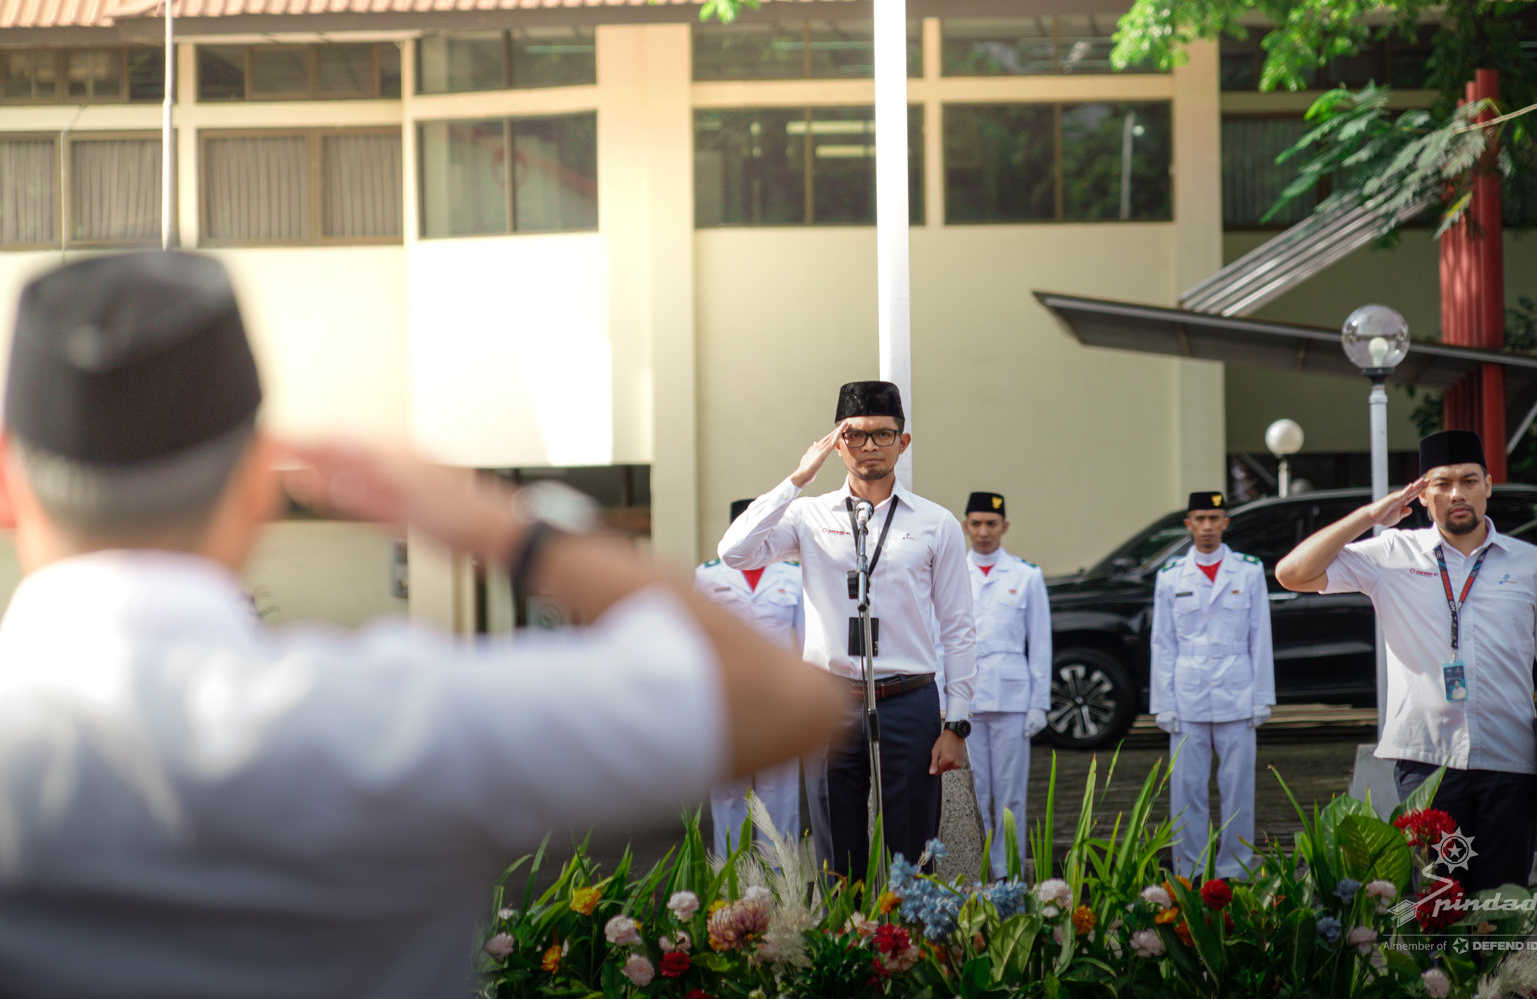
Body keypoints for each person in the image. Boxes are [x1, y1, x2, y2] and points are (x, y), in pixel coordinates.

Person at [0, 251, 844, 998]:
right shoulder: (390, 713)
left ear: (9, 485)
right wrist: (501, 525)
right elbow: (784, 698)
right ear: (260, 486)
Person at [1276, 429, 1537, 893]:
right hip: (1427, 764)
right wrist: (1369, 516)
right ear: (1423, 494)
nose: (1456, 494)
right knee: (1436, 901)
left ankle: (1500, 971)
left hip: (1511, 764)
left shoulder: (1532, 564)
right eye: (1441, 483)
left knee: (1502, 902)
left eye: (1468, 480)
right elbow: (1292, 574)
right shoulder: (1390, 555)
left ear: (1487, 486)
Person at [719, 381, 976, 879]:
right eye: (855, 436)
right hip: (830, 701)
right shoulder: (808, 515)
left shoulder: (935, 522)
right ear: (837, 444)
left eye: (883, 435)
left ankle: (909, 947)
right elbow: (734, 551)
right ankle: (847, 950)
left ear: (904, 442)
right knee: (838, 854)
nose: (869, 447)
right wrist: (796, 479)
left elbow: (959, 626)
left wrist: (957, 722)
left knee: (912, 854)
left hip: (909, 699)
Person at [1150, 490, 1274, 879]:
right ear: (1188, 524)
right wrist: (1162, 702)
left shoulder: (1249, 570)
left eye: (1214, 518)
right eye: (1199, 518)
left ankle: (1235, 870)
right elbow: (1163, 642)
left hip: (1237, 689)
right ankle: (1190, 869)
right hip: (1187, 692)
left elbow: (1260, 636)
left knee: (1238, 788)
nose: (1207, 526)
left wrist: (1262, 696)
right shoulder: (1170, 576)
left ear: (1226, 522)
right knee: (1187, 788)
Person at [696, 498, 805, 850]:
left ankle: (781, 890)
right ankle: (730, 888)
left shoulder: (794, 574)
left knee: (781, 791)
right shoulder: (708, 575)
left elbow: (805, 644)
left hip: (780, 701)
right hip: (728, 700)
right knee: (730, 791)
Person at [961, 491, 1051, 880]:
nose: (983, 532)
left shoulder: (1026, 575)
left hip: (1014, 700)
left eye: (991, 524)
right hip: (967, 699)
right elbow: (937, 639)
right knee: (973, 793)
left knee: (1011, 793)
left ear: (1005, 527)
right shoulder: (950, 573)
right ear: (965, 526)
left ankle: (1008, 869)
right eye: (976, 524)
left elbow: (1041, 644)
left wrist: (1039, 704)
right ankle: (978, 867)